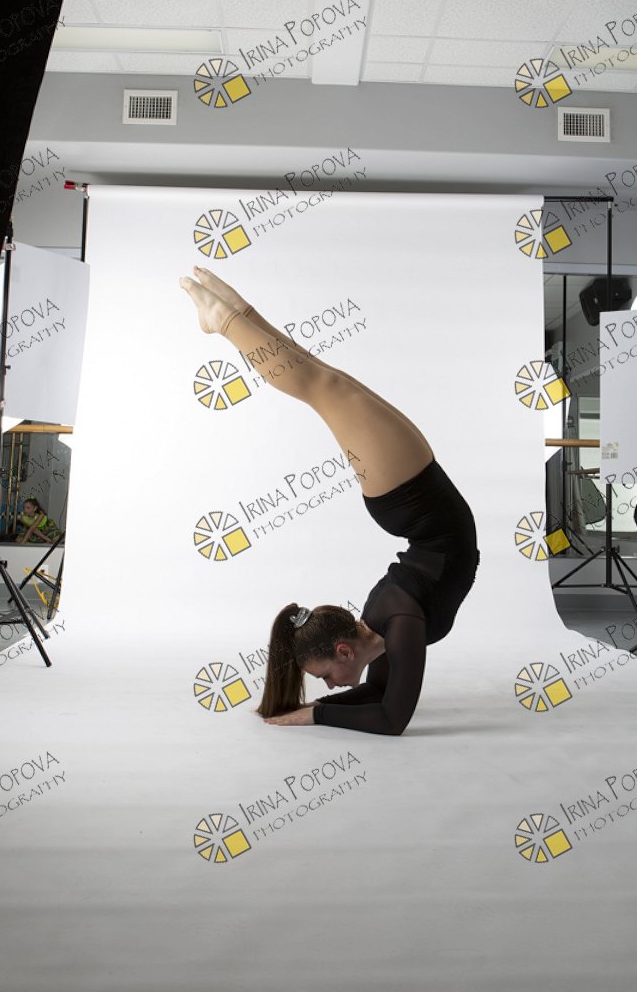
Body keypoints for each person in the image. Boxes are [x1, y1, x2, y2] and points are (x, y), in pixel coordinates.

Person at [180, 265, 480, 737]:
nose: (332, 685)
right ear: (344, 651)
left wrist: (314, 713)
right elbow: (385, 706)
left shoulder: (393, 622)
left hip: (415, 499)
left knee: (324, 387)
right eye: (325, 680)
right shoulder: (394, 628)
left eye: (324, 679)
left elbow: (388, 715)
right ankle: (236, 314)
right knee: (324, 381)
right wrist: (315, 709)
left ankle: (231, 319)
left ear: (343, 650)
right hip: (415, 499)